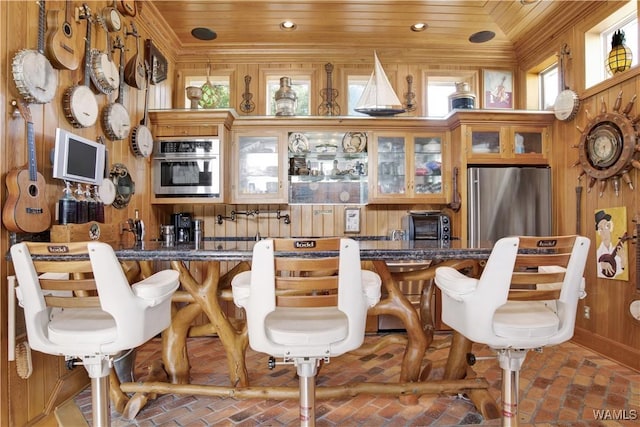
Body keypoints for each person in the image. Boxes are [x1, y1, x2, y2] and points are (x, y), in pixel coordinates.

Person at [595, 210, 626, 278]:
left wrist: (623, 258)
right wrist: (601, 264)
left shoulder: (615, 250)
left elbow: (620, 270)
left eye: (606, 226)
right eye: (601, 228)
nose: (604, 231)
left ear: (610, 227)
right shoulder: (597, 253)